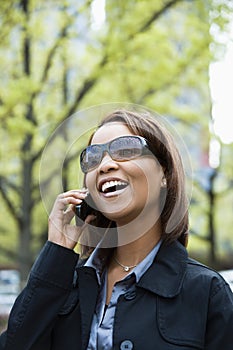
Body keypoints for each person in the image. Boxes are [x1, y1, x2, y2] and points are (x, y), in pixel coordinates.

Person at [0, 109, 233, 350]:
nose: (105, 165)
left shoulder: (208, 293)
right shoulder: (63, 285)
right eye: (93, 158)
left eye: (126, 150)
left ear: (164, 173)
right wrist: (55, 251)